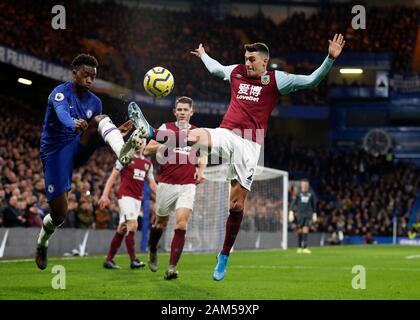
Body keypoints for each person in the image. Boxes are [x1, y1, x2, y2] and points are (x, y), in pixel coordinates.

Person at [129, 34, 345, 280]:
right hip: (226, 133)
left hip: (250, 145)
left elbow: (311, 81)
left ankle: (224, 255)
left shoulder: (277, 80)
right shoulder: (237, 72)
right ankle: (151, 132)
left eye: (252, 59)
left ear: (265, 62)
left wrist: (329, 58)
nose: (248, 63)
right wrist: (203, 56)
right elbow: (216, 69)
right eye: (246, 59)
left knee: (235, 205)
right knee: (195, 135)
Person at [35, 53, 143, 270]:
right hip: (56, 153)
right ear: (74, 72)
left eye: (93, 76)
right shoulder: (60, 93)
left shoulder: (95, 101)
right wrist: (73, 123)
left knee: (101, 120)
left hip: (77, 147)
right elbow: (62, 113)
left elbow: (94, 136)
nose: (90, 80)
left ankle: (121, 149)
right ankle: (42, 242)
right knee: (59, 215)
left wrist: (113, 134)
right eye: (86, 75)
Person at [139, 96, 206, 280]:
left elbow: (203, 154)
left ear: (192, 112)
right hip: (166, 183)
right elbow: (146, 149)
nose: (183, 113)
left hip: (187, 184)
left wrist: (201, 170)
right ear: (174, 112)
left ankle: (172, 267)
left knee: (182, 223)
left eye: (186, 110)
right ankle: (153, 248)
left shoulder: (196, 132)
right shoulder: (164, 128)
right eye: (180, 110)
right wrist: (167, 142)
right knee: (160, 223)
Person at [99, 142, 157, 270]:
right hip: (125, 197)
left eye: (142, 141)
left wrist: (162, 199)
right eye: (137, 141)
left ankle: (109, 260)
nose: (139, 143)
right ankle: (133, 260)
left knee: (122, 228)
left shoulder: (148, 164)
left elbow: (152, 185)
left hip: (137, 200)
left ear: (144, 145)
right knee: (133, 224)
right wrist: (105, 194)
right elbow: (113, 176)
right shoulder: (126, 157)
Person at [288, 179, 317, 254]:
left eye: (306, 183)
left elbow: (314, 204)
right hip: (300, 214)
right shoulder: (298, 193)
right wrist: (291, 211)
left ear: (308, 184)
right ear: (301, 184)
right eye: (303, 183)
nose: (304, 185)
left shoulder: (311, 193)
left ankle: (305, 247)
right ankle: (299, 247)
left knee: (306, 229)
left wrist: (314, 213)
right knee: (300, 230)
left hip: (308, 214)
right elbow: (293, 202)